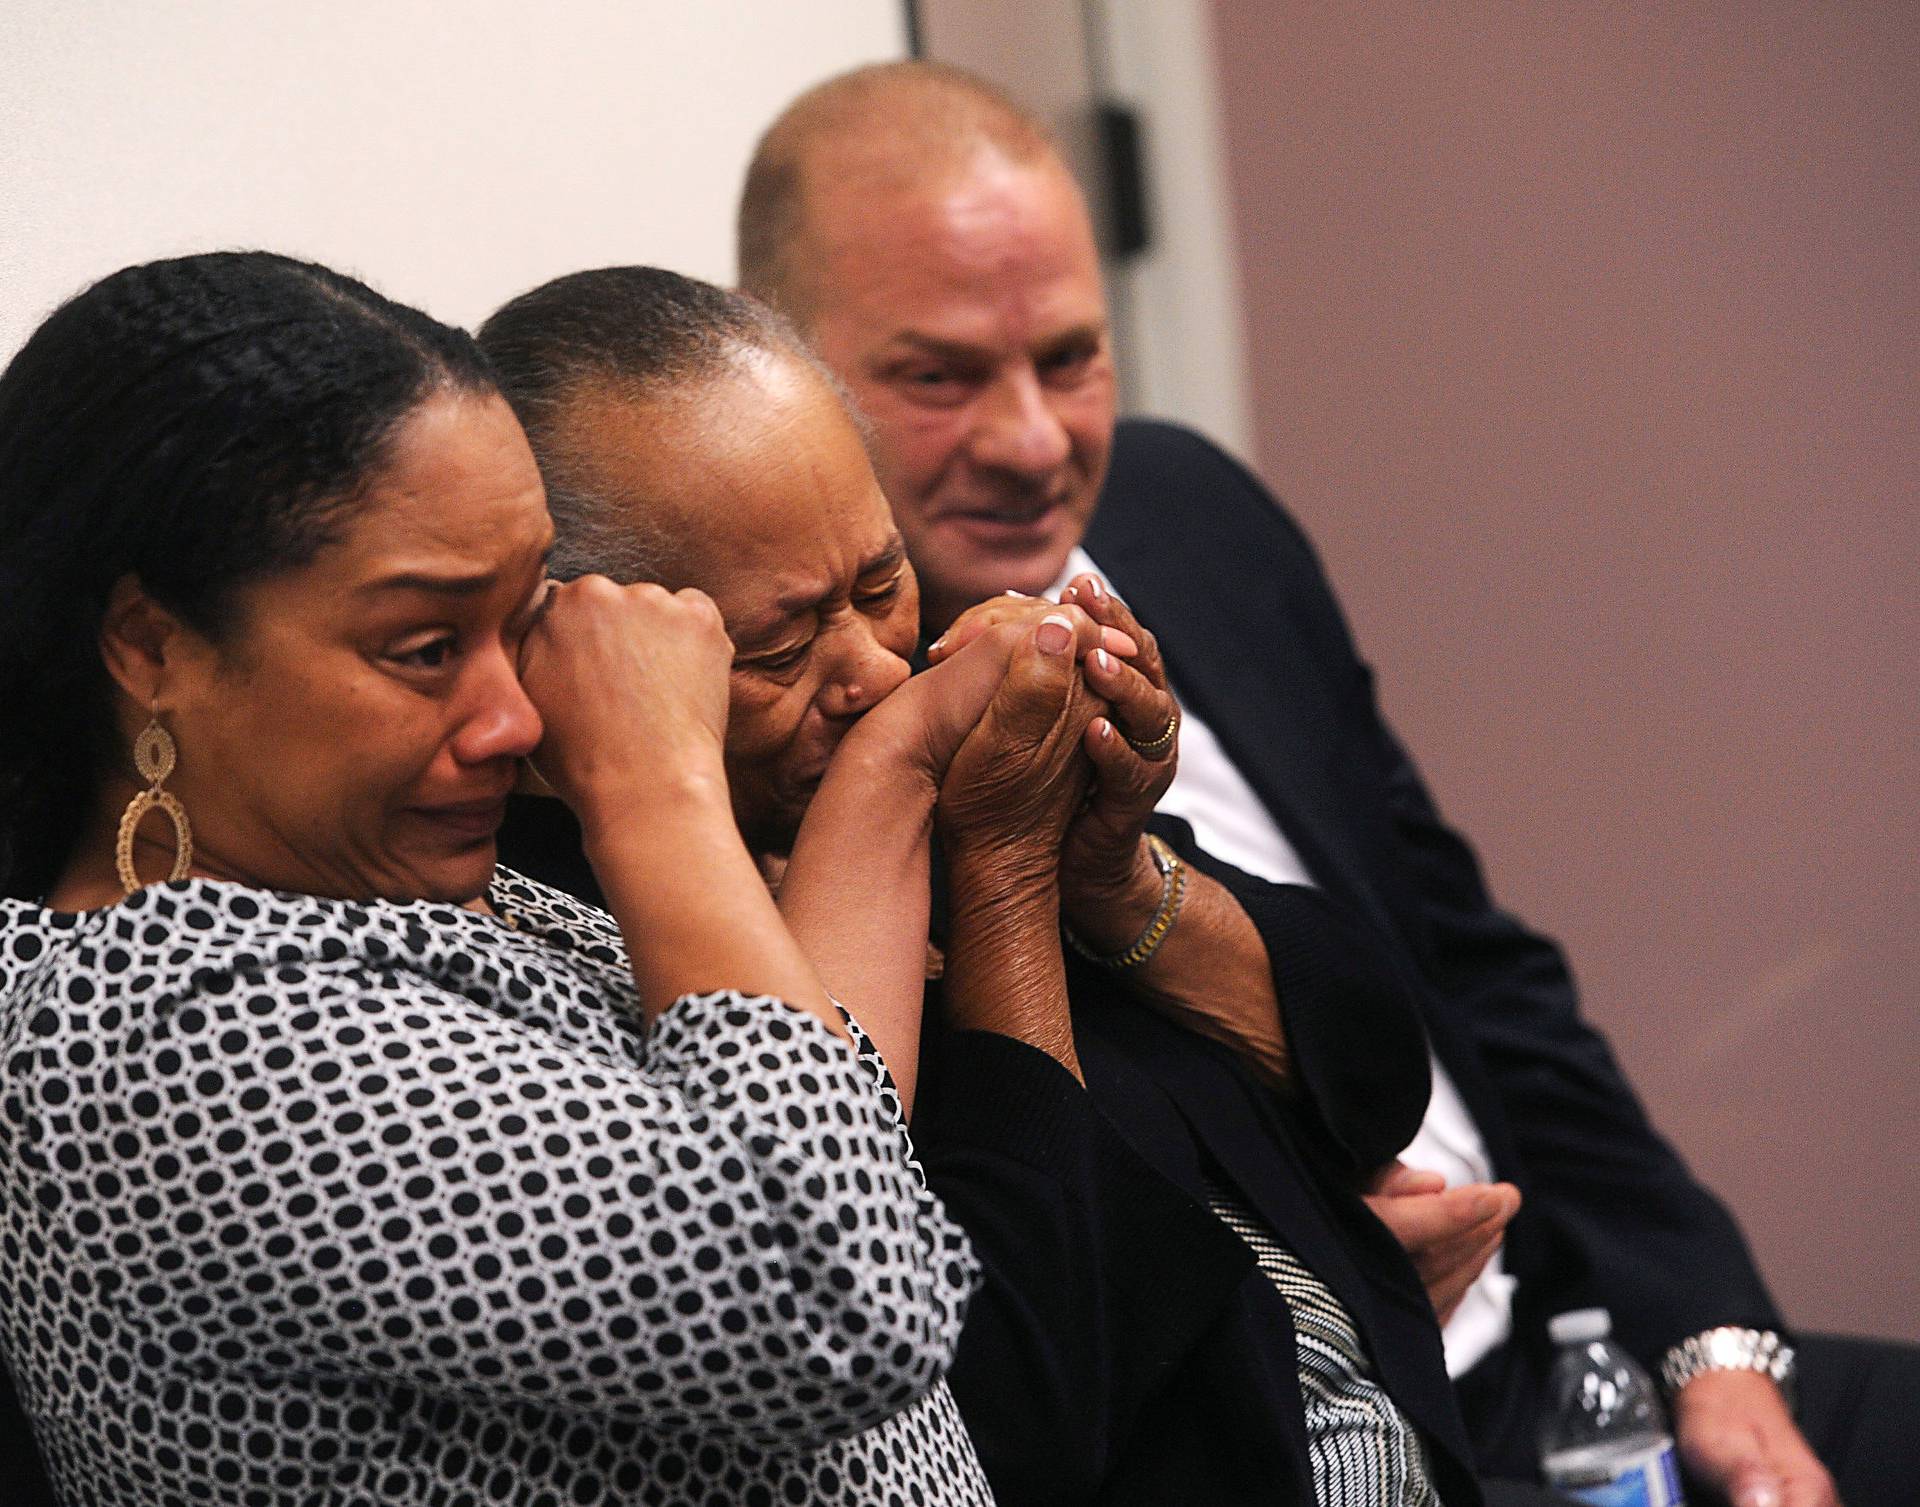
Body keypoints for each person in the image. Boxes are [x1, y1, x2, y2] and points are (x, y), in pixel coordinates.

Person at [734, 61, 1920, 1507]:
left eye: (1070, 355)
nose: (1035, 440)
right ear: (788, 380)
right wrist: (1323, 1275)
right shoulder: (808, 737)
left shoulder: (1193, 515)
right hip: (1319, 1428)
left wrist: (1711, 1336)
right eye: (939, 375)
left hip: (1570, 1343)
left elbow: (1478, 971)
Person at [0, 250, 1003, 1507]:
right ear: (150, 647)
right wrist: (657, 779)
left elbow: (817, 1110)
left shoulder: (381, 901)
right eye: (424, 648)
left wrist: (901, 760)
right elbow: (844, 1295)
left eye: (524, 619)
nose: (513, 717)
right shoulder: (164, 1036)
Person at [481, 265, 1490, 1507]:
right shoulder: (590, 935)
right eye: (780, 646)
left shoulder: (937, 720)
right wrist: (999, 870)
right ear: (591, 655)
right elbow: (1004, 1404)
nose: (864, 669)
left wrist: (1112, 874)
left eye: (879, 583)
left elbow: (1376, 1071)